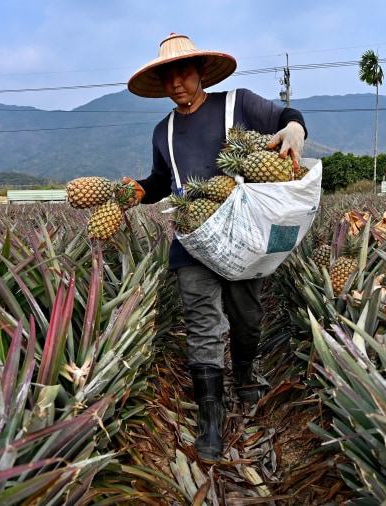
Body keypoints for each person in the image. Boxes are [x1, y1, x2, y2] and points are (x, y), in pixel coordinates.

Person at [123, 33, 307, 463]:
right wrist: (136, 191)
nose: (175, 83)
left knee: (247, 316)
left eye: (183, 72)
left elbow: (288, 114)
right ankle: (211, 414)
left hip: (244, 234)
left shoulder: (237, 104)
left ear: (201, 72)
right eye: (167, 77)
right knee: (202, 321)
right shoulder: (162, 130)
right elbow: (159, 183)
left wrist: (294, 130)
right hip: (193, 239)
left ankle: (245, 373)